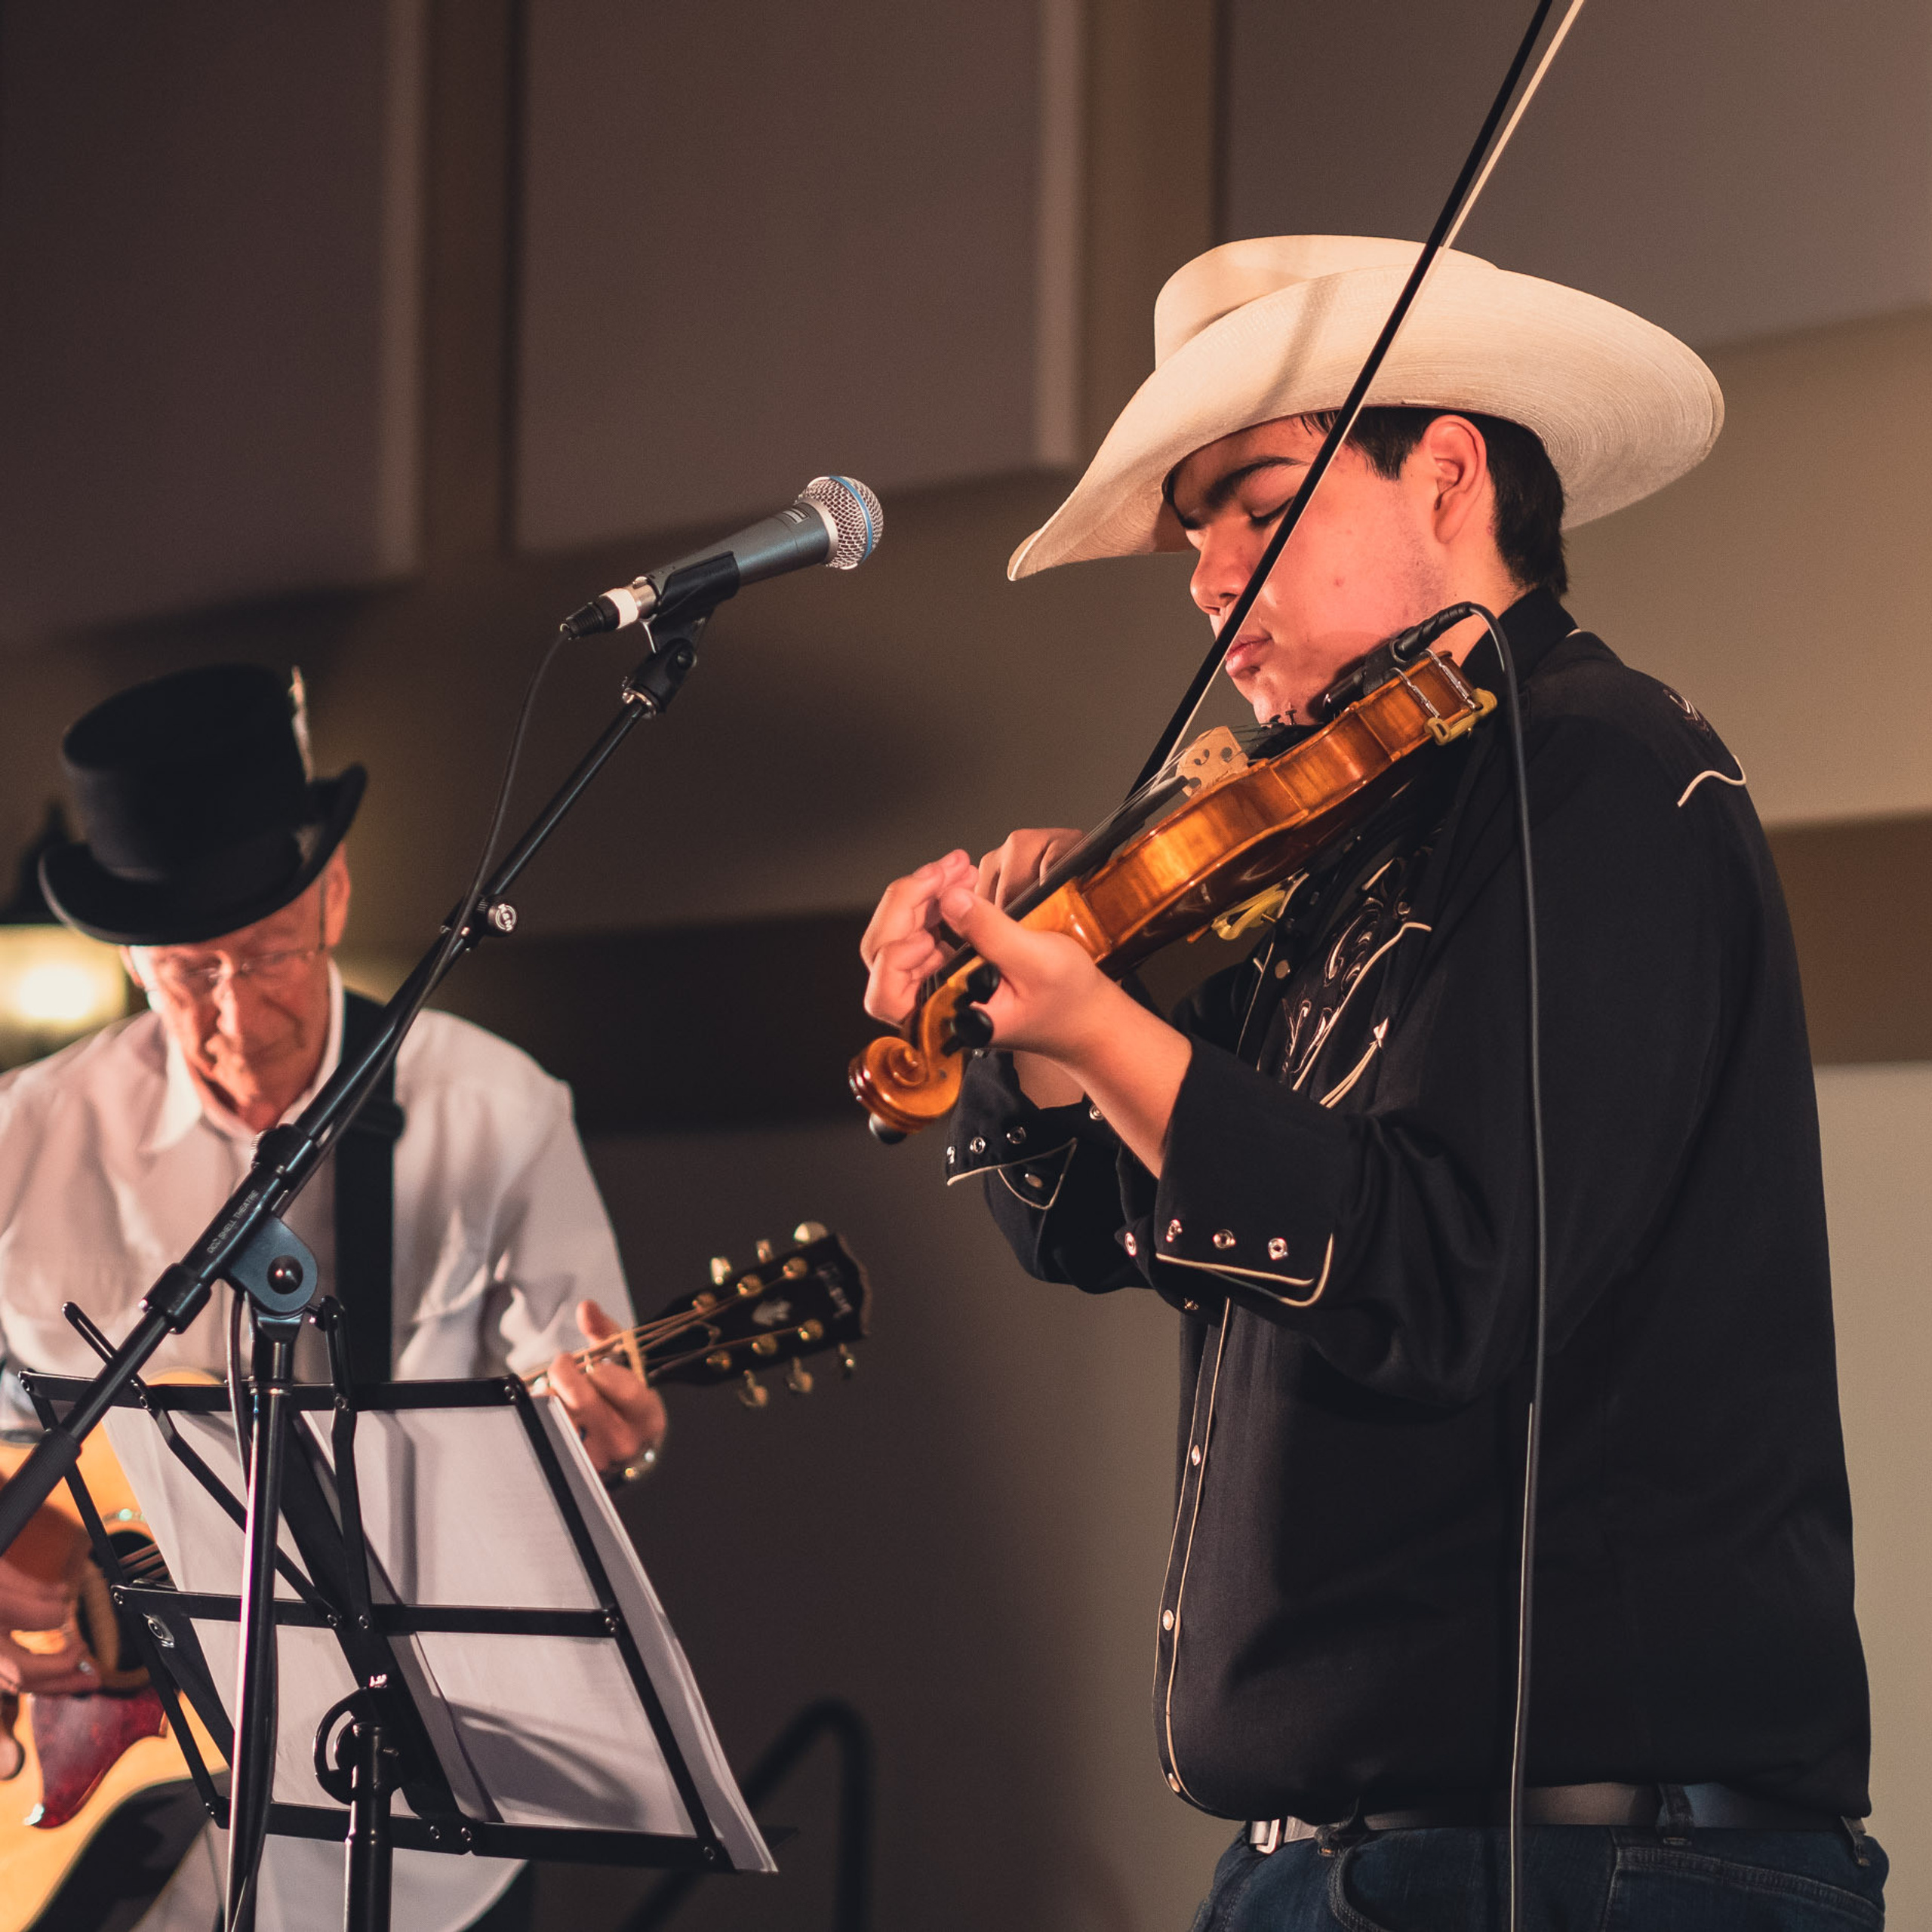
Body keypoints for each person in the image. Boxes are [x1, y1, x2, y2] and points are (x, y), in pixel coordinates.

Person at [860, 236, 1881, 1927]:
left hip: (1578, 1864)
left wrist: (1105, 1027)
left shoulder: (1597, 769)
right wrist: (1030, 1052)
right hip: (1340, 1865)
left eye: (1257, 505)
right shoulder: (1333, 842)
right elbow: (1107, 1226)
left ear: (1448, 476)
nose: (1207, 575)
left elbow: (1449, 1270)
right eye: (1193, 532)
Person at [0, 664, 664, 1932]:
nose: (237, 1017)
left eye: (269, 957)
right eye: (187, 974)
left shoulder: (495, 1110)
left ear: (335, 895)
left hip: (408, 1821)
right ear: (131, 959)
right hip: (91, 1819)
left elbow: (578, 1400)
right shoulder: (22, 1138)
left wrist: (606, 1445)